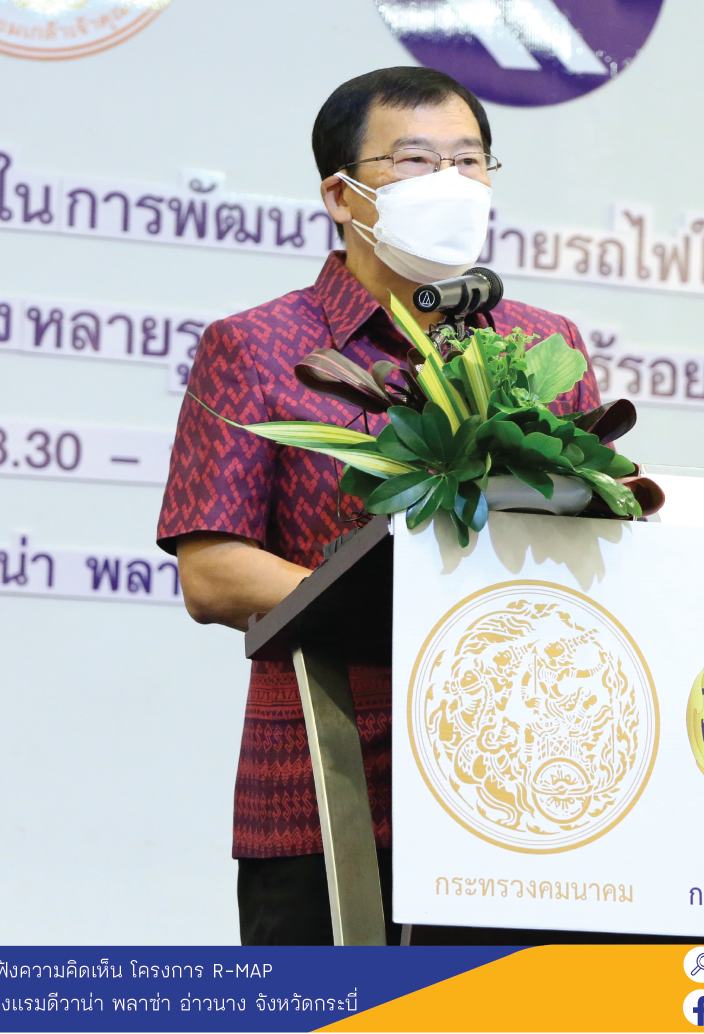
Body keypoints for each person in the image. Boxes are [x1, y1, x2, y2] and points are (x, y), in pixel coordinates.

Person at [156, 66, 600, 945]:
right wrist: (418, 610)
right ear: (341, 195)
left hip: (525, 791)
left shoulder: (545, 345)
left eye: (469, 162)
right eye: (416, 161)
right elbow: (213, 573)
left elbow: (600, 541)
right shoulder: (257, 347)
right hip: (334, 789)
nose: (451, 184)